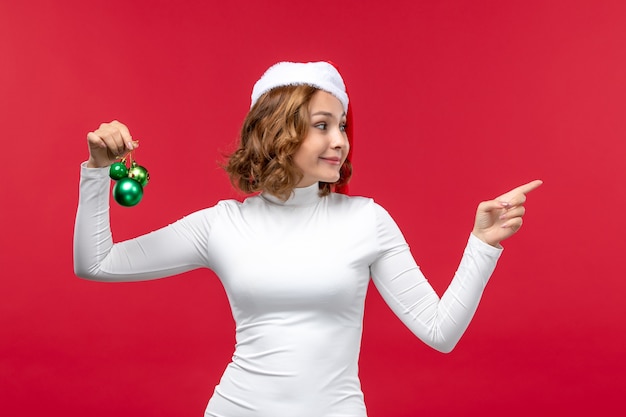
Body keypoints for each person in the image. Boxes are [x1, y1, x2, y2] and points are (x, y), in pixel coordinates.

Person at [74, 61, 542, 417]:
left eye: (341, 125)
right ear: (279, 131)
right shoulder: (222, 225)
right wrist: (97, 171)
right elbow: (96, 263)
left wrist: (482, 244)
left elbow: (439, 332)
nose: (340, 140)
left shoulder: (366, 220)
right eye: (322, 126)